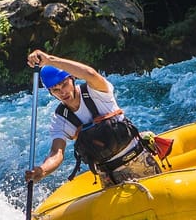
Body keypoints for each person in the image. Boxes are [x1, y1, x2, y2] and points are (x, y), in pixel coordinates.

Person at [23, 49, 161, 187]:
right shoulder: (60, 118)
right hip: (107, 174)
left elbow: (90, 74)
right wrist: (42, 171)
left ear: (72, 79)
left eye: (64, 84)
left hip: (136, 160)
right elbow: (56, 153)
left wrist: (49, 60)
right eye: (55, 90)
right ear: (50, 92)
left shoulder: (96, 91)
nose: (62, 92)